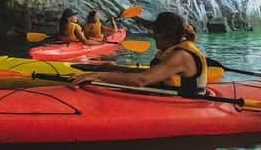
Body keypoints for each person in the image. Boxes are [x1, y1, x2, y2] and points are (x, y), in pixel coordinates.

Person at [69, 12, 207, 96]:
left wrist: (97, 75)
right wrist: (114, 68)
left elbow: (141, 80)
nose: (153, 36)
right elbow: (153, 73)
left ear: (164, 33)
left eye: (155, 32)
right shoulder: (173, 50)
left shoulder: (181, 56)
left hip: (183, 104)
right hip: (163, 94)